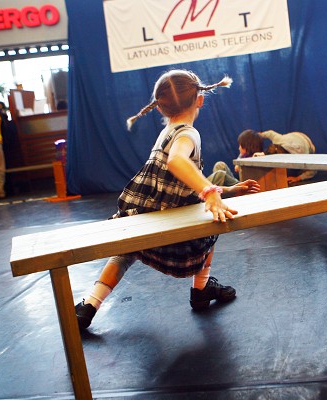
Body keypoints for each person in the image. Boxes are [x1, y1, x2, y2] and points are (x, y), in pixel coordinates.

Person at [74, 70, 261, 330]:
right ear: (200, 100)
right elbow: (177, 162)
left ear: (160, 108)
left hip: (146, 217)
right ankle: (201, 288)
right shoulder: (188, 134)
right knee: (213, 222)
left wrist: (226, 189)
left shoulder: (166, 132)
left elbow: (180, 182)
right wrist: (211, 193)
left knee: (126, 249)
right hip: (178, 236)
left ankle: (90, 304)